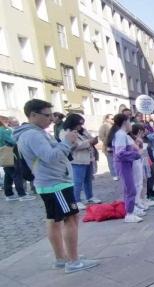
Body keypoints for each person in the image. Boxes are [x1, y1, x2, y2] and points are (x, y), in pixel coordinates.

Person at [13, 99, 98, 272]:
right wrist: (67, 142)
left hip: (51, 182)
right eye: (47, 115)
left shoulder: (35, 132)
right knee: (71, 218)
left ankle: (61, 258)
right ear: (33, 115)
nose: (52, 119)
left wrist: (66, 145)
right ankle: (73, 262)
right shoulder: (33, 135)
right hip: (55, 183)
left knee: (54, 220)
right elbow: (50, 156)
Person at [60, 113, 100, 209]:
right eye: (79, 124)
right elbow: (74, 145)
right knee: (77, 181)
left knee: (88, 179)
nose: (80, 126)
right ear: (73, 123)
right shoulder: (65, 132)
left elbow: (90, 138)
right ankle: (76, 200)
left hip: (89, 158)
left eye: (81, 124)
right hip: (77, 160)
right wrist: (89, 142)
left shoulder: (83, 131)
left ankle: (90, 196)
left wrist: (93, 140)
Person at [108, 113, 143, 223]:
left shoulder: (122, 134)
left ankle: (130, 211)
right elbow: (120, 153)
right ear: (125, 122)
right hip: (123, 164)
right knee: (130, 189)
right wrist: (137, 154)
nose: (131, 124)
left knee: (129, 188)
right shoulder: (120, 135)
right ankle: (129, 213)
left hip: (126, 163)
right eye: (129, 121)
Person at [1, 115, 35, 201]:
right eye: (6, 121)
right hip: (11, 154)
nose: (7, 123)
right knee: (17, 174)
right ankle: (22, 194)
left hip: (4, 155)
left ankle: (9, 194)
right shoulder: (2, 130)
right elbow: (12, 141)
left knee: (8, 175)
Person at [98, 114, 117, 180]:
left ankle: (117, 173)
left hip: (115, 145)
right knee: (111, 161)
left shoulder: (114, 126)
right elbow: (101, 136)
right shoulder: (104, 126)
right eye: (112, 118)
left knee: (115, 160)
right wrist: (107, 142)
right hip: (108, 146)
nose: (113, 120)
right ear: (107, 119)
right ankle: (114, 174)